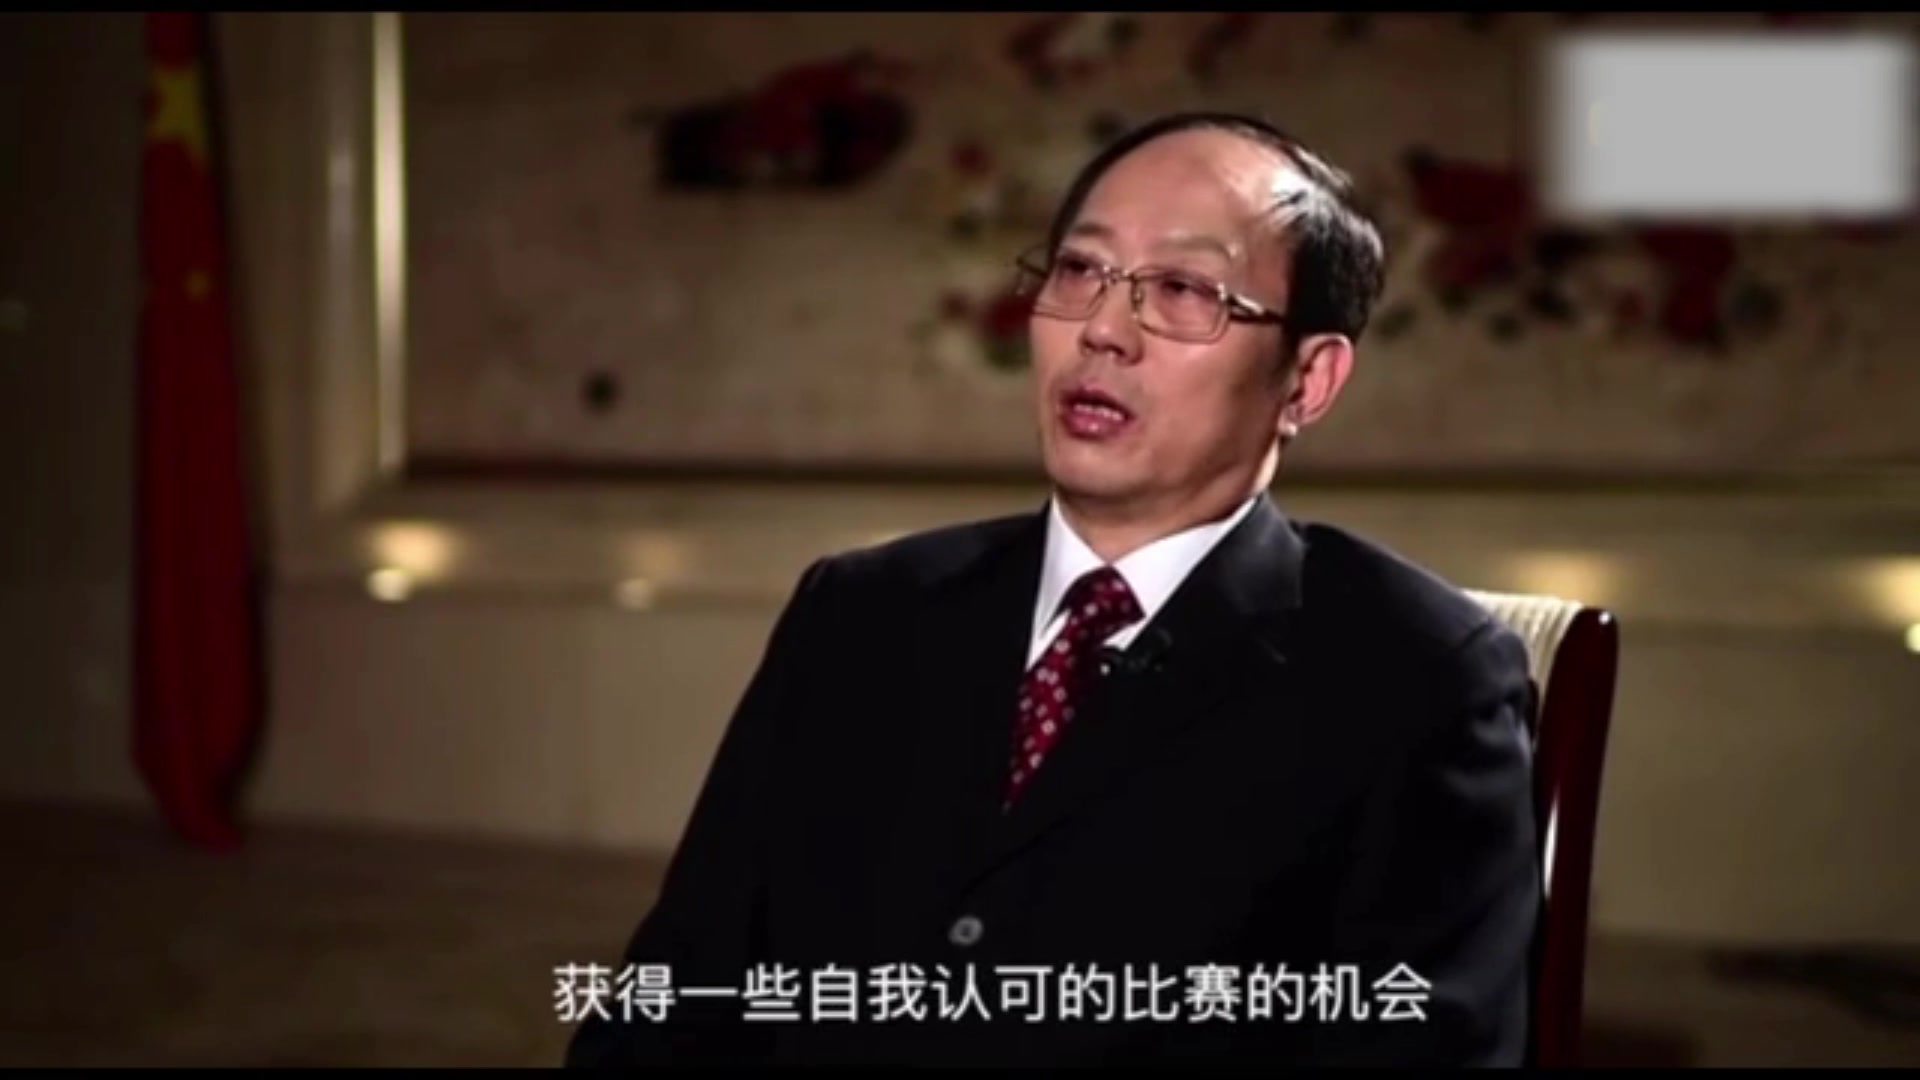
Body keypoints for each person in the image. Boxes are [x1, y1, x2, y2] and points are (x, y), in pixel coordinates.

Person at [563, 111, 1542, 1067]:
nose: (1104, 331)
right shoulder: (860, 612)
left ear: (1309, 380)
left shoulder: (1415, 678)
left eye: (1184, 290)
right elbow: (675, 999)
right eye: (1079, 271)